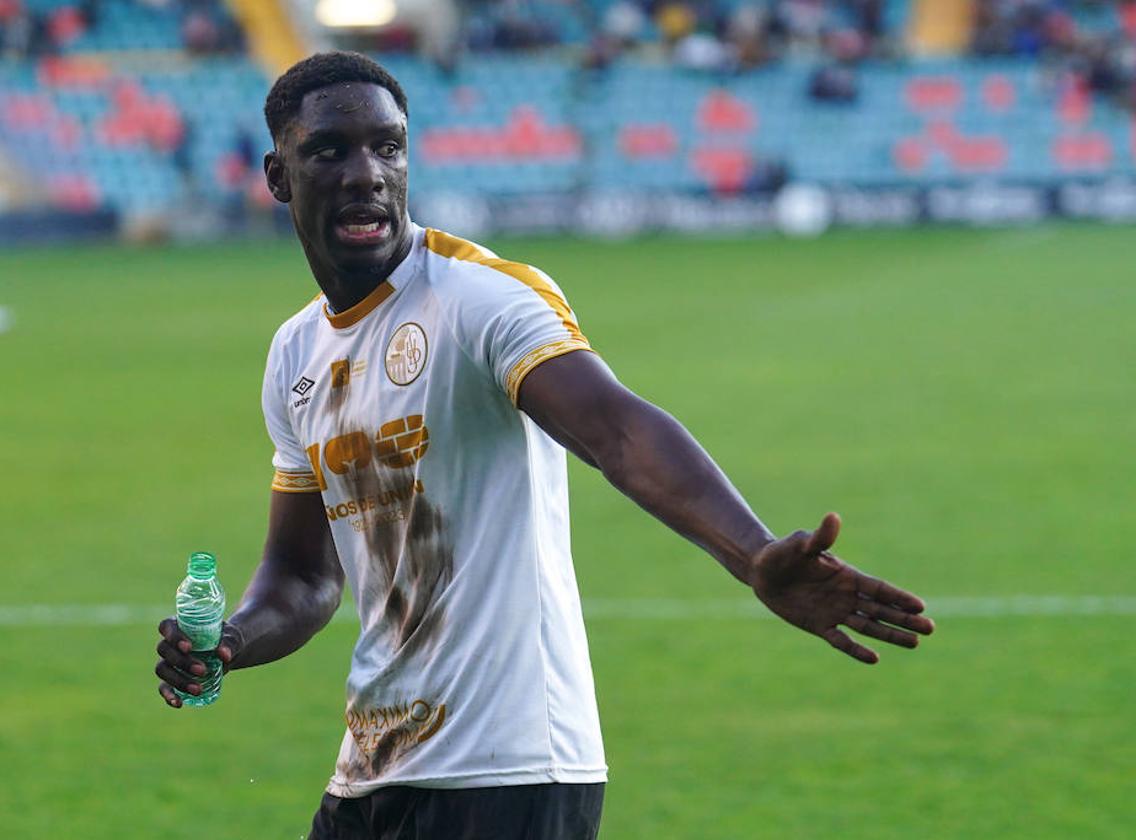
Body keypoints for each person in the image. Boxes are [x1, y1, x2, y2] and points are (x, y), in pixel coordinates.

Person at [153, 51, 935, 840]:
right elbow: (301, 576)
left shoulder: (480, 297)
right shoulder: (295, 355)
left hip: (512, 770)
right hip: (373, 768)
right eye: (329, 150)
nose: (366, 173)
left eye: (388, 146)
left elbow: (618, 430)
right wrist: (230, 641)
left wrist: (752, 552)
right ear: (278, 175)